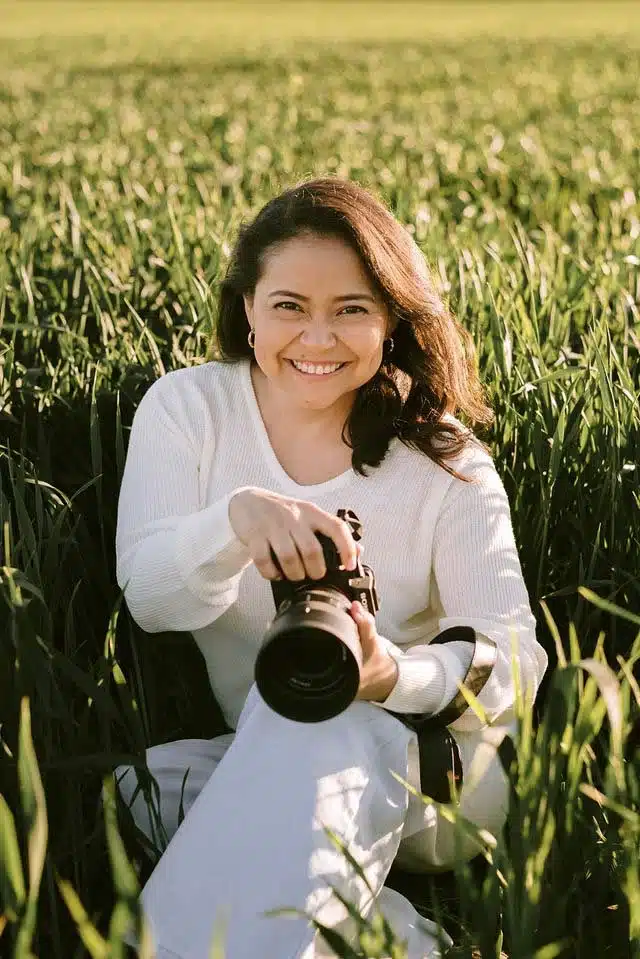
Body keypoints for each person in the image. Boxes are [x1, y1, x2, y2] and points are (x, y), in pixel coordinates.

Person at [113, 176, 548, 959]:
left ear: (391, 320)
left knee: (321, 730)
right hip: (275, 740)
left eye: (351, 309)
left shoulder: (444, 463)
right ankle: (408, 940)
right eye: (289, 306)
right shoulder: (189, 411)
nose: (317, 338)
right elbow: (150, 597)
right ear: (247, 307)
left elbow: (517, 653)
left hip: (437, 774)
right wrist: (233, 522)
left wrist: (388, 673)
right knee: (143, 793)